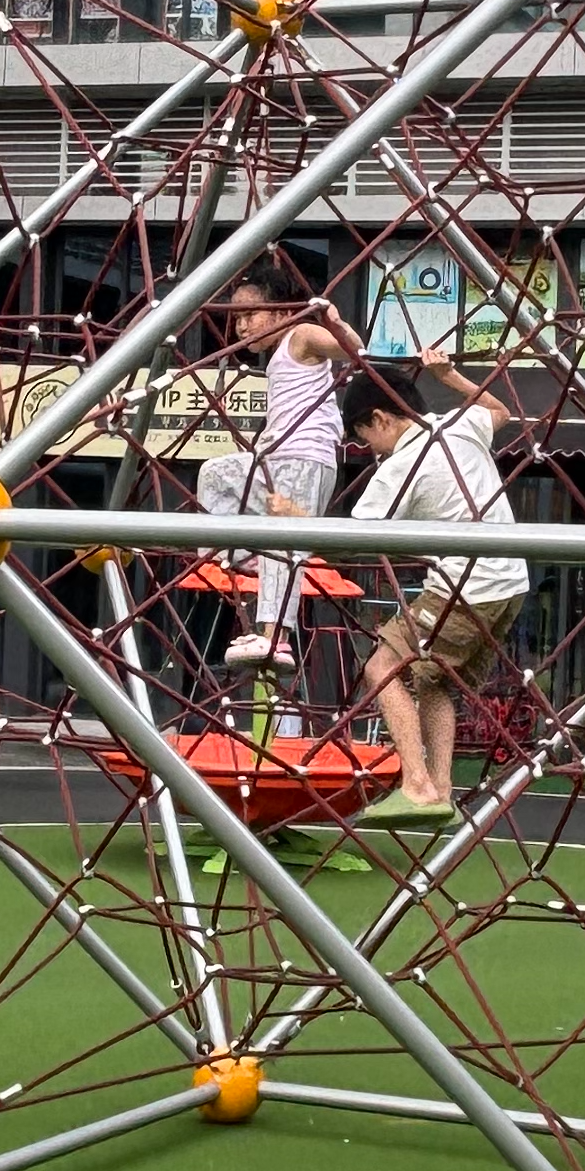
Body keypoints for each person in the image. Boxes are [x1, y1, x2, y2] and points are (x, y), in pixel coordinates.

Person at [343, 357, 532, 825]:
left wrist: (292, 522)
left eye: (363, 436)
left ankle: (418, 784)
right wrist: (449, 377)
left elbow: (353, 538)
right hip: (510, 583)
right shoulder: (457, 424)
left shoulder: (400, 466)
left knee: (382, 666)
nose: (368, 448)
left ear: (381, 419)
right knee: (435, 681)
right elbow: (499, 412)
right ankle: (441, 792)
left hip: (466, 588)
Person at [215, 256, 364, 675]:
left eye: (248, 315)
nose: (240, 327)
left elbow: (351, 347)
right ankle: (247, 556)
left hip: (305, 457)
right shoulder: (279, 353)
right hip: (278, 459)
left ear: (280, 311)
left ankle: (275, 637)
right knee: (216, 476)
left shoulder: (300, 334)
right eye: (235, 318)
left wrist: (334, 322)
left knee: (285, 541)